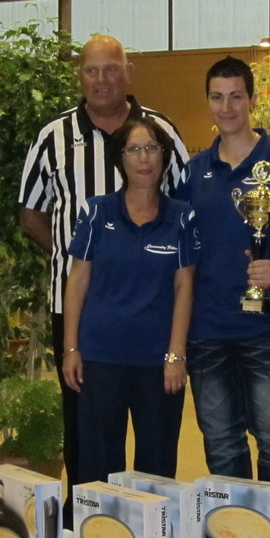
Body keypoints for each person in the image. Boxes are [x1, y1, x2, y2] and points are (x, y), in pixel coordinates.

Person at [19, 34, 188, 529]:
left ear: (128, 73)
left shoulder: (162, 133)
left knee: (155, 422)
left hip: (152, 312)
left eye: (111, 69)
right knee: (84, 425)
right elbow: (30, 212)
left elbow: (183, 212)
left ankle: (152, 525)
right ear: (80, 76)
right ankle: (87, 520)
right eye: (92, 70)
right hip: (74, 309)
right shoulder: (52, 136)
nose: (101, 80)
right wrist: (80, 260)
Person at [177, 56, 270, 485]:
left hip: (266, 329)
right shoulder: (192, 174)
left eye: (236, 96)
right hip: (208, 332)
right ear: (208, 101)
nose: (227, 107)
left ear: (252, 98)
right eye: (217, 97)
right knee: (222, 445)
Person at [61, 118, 197, 482]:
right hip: (100, 357)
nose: (144, 158)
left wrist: (176, 355)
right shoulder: (96, 212)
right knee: (97, 465)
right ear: (120, 159)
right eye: (134, 150)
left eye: (152, 148)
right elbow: (77, 281)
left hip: (158, 363)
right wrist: (71, 349)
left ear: (164, 157)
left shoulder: (182, 217)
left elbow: (185, 287)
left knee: (157, 464)